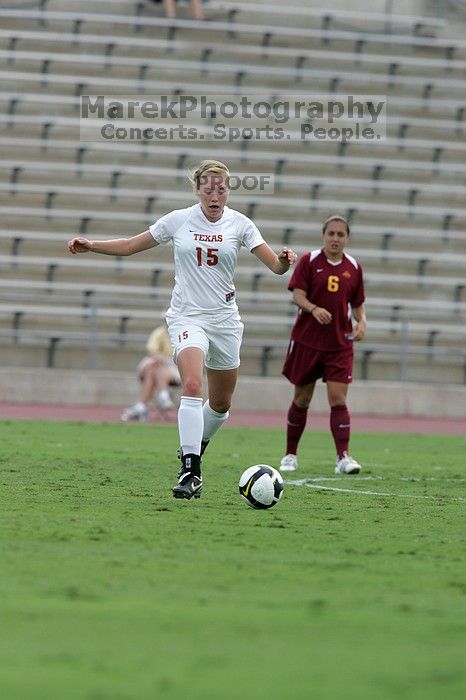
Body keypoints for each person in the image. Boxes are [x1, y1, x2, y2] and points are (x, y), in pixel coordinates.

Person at [68, 159, 297, 500]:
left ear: (228, 190)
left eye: (221, 188)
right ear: (198, 190)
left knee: (220, 404)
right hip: (187, 317)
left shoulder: (241, 224)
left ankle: (196, 445)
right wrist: (92, 245)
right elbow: (132, 245)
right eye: (208, 188)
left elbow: (275, 267)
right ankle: (191, 470)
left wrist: (284, 261)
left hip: (225, 321)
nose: (214, 194)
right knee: (192, 383)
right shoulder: (178, 220)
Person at [279, 215, 367, 475]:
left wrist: (362, 322)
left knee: (338, 400)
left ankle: (343, 458)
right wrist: (313, 309)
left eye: (341, 234)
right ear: (324, 235)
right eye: (331, 233)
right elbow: (297, 294)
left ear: (347, 238)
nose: (336, 239)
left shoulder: (354, 267)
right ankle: (290, 455)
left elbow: (358, 303)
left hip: (340, 344)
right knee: (302, 398)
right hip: (308, 341)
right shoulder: (309, 260)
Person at [120, 322, 181, 422]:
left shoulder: (180, 332)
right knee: (153, 369)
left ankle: (142, 405)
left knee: (156, 369)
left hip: (176, 369)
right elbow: (152, 351)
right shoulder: (159, 333)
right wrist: (160, 359)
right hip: (158, 366)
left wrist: (163, 360)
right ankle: (163, 395)